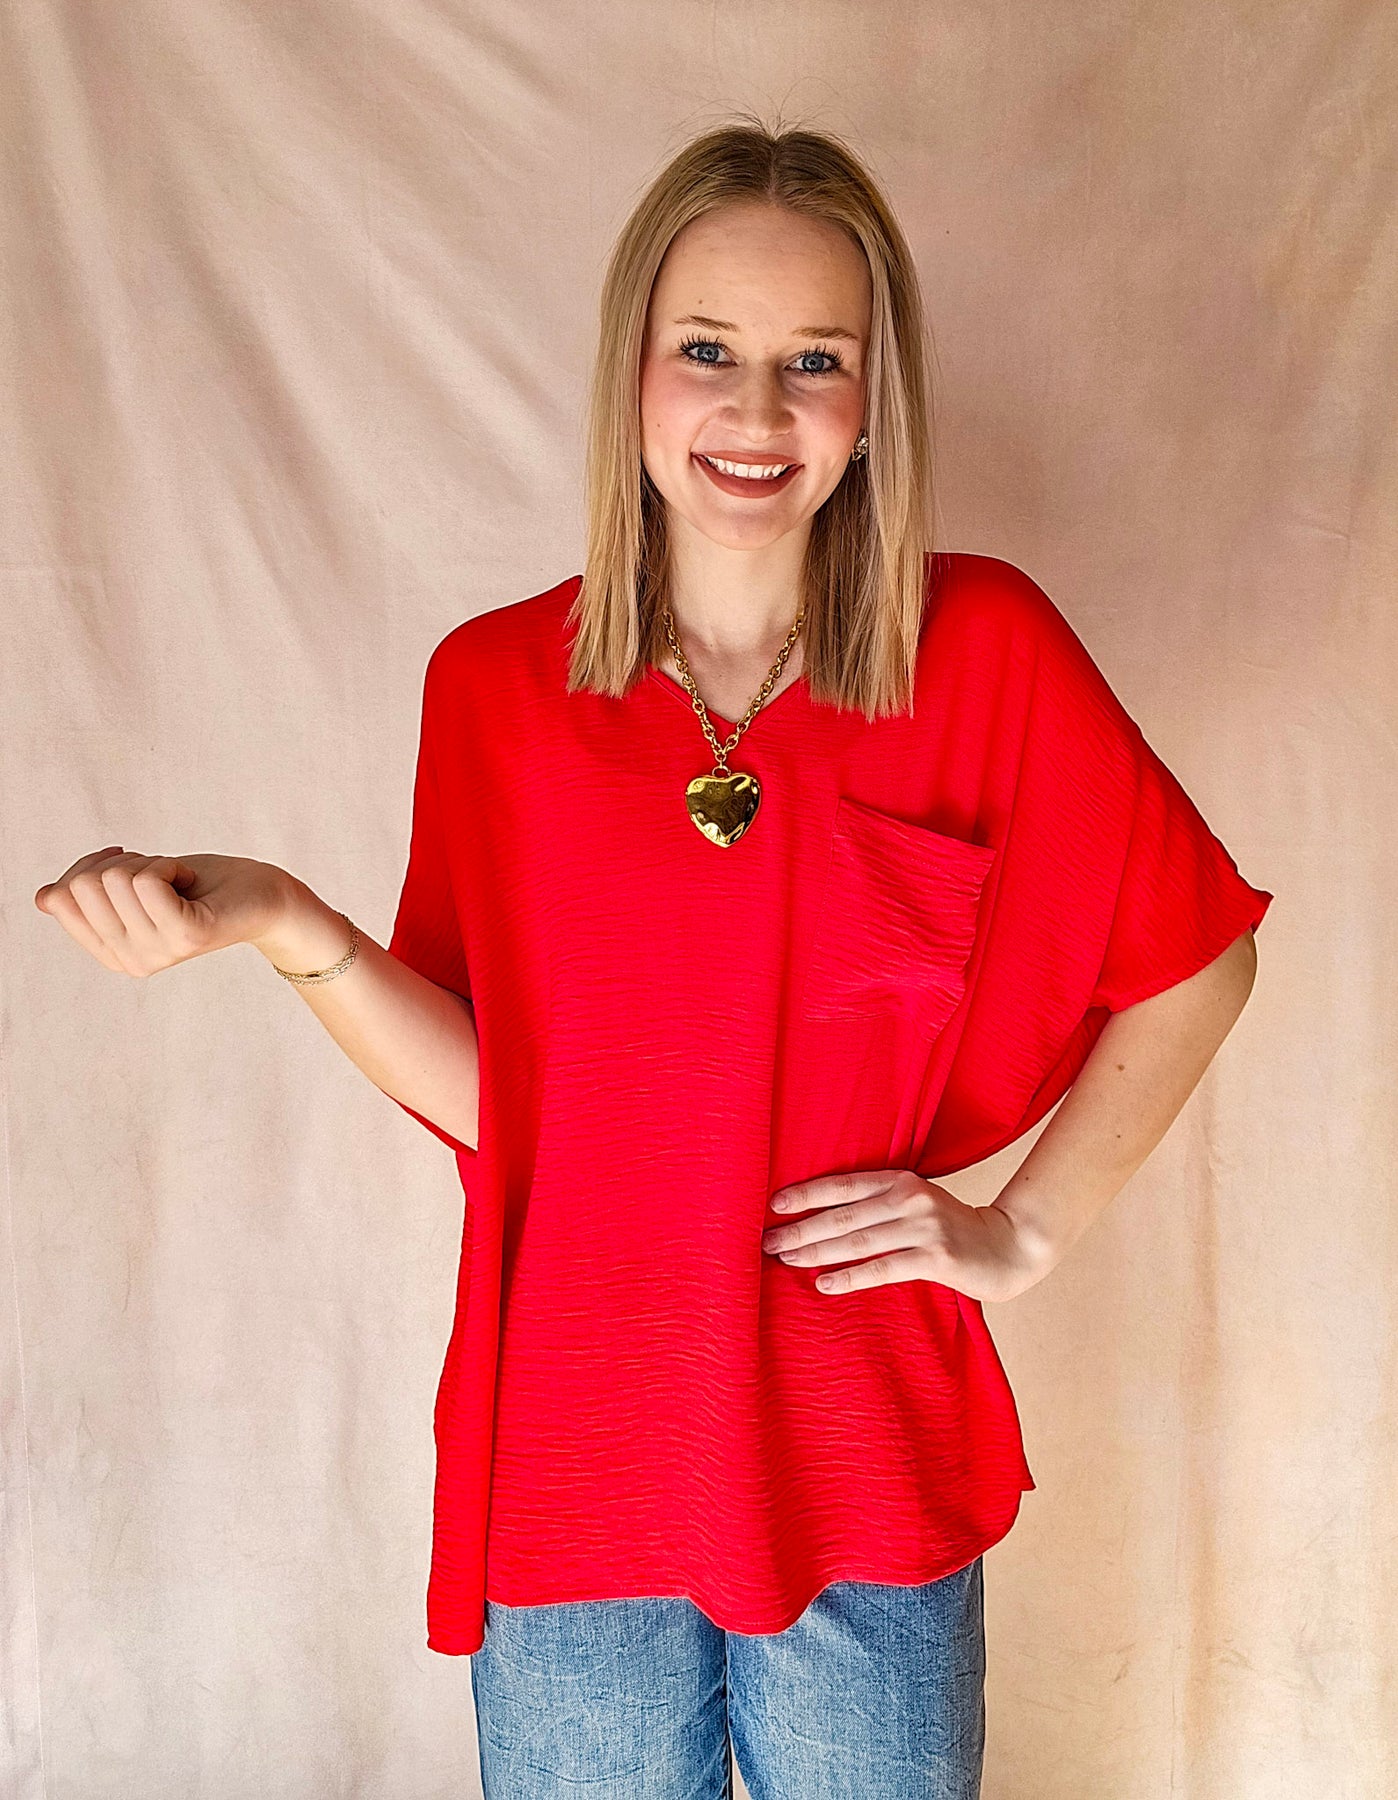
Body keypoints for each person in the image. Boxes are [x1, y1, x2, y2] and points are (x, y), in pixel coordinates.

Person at [35, 115, 1272, 1800]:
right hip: (575, 1455)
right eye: (706, 350)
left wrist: (1024, 1227)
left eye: (812, 360)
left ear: (871, 404)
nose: (755, 411)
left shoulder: (985, 652)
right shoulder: (493, 692)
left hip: (862, 1454)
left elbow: (1196, 959)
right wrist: (283, 921)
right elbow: (515, 1106)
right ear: (629, 373)